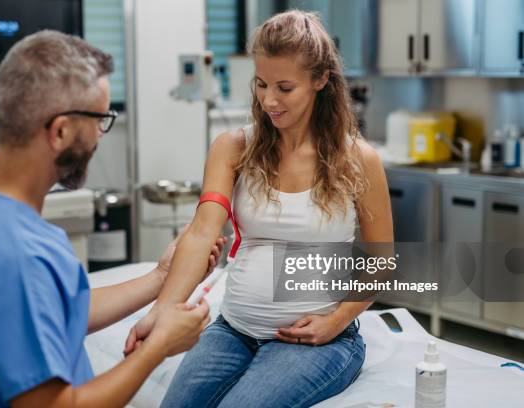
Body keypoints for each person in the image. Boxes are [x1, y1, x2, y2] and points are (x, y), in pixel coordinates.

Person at [0, 30, 226, 408]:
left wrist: (160, 278)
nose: (100, 134)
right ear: (61, 130)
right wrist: (159, 347)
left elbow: (56, 310)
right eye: (100, 119)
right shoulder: (18, 251)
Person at [125, 10, 394, 407]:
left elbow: (383, 262)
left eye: (285, 87)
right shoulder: (233, 148)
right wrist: (162, 311)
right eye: (261, 84)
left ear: (321, 80)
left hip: (316, 341)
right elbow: (202, 232)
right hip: (233, 329)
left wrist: (336, 322)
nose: (269, 100)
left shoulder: (358, 158)